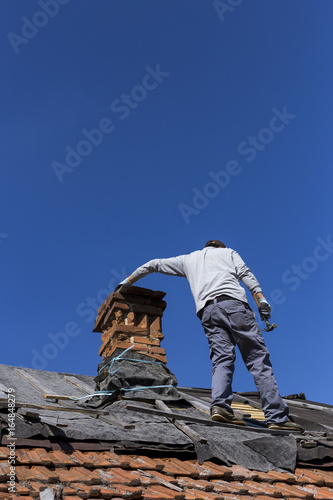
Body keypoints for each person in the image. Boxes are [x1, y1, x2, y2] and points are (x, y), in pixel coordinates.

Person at [116, 239, 303, 432]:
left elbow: (152, 264)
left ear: (206, 247)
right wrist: (260, 299)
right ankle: (277, 417)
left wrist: (127, 281)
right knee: (258, 361)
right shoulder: (228, 252)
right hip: (234, 305)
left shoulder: (189, 259)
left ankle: (221, 406)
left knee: (222, 359)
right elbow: (245, 274)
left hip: (208, 312)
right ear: (220, 247)